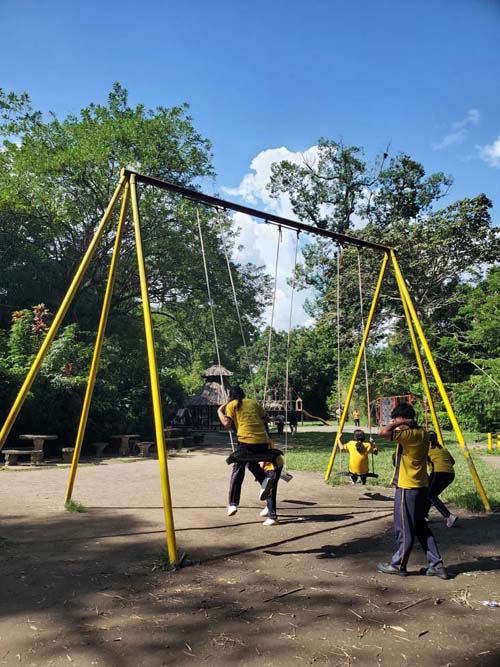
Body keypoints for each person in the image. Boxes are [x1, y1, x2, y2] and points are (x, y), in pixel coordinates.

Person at [377, 402, 449, 580]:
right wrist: (403, 422)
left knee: (404, 527)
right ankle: (437, 565)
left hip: (407, 487)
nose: (393, 421)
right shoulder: (423, 434)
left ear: (405, 419)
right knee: (420, 527)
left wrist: (401, 423)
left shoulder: (409, 434)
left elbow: (382, 432)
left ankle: (398, 564)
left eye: (396, 418)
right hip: (421, 487)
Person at [217, 386, 279, 526]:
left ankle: (233, 503)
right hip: (262, 442)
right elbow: (266, 419)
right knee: (251, 463)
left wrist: (219, 411)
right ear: (244, 394)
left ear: (231, 396)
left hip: (246, 443)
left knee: (238, 468)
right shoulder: (253, 403)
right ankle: (264, 482)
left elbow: (226, 423)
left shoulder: (231, 405)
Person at [426, 432, 457, 527]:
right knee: (431, 494)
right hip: (450, 474)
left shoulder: (426, 448)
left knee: (430, 494)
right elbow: (452, 461)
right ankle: (424, 515)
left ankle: (449, 516)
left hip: (438, 472)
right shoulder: (443, 448)